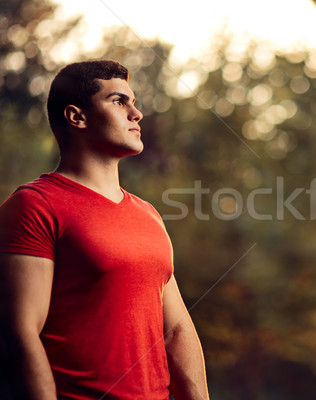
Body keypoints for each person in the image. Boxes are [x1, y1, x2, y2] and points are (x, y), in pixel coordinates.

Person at [0, 60, 210, 399]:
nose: (136, 113)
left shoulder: (149, 216)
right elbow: (19, 332)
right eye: (118, 101)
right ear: (77, 116)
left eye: (134, 102)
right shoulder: (34, 206)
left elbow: (175, 330)